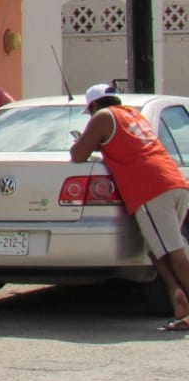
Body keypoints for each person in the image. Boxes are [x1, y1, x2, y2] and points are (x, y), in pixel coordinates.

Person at [70, 84, 189, 330]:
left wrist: (87, 140)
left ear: (93, 106)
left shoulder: (103, 116)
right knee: (158, 250)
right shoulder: (133, 114)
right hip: (173, 180)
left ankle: (184, 303)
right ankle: (177, 296)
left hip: (150, 188)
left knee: (174, 251)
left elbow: (78, 154)